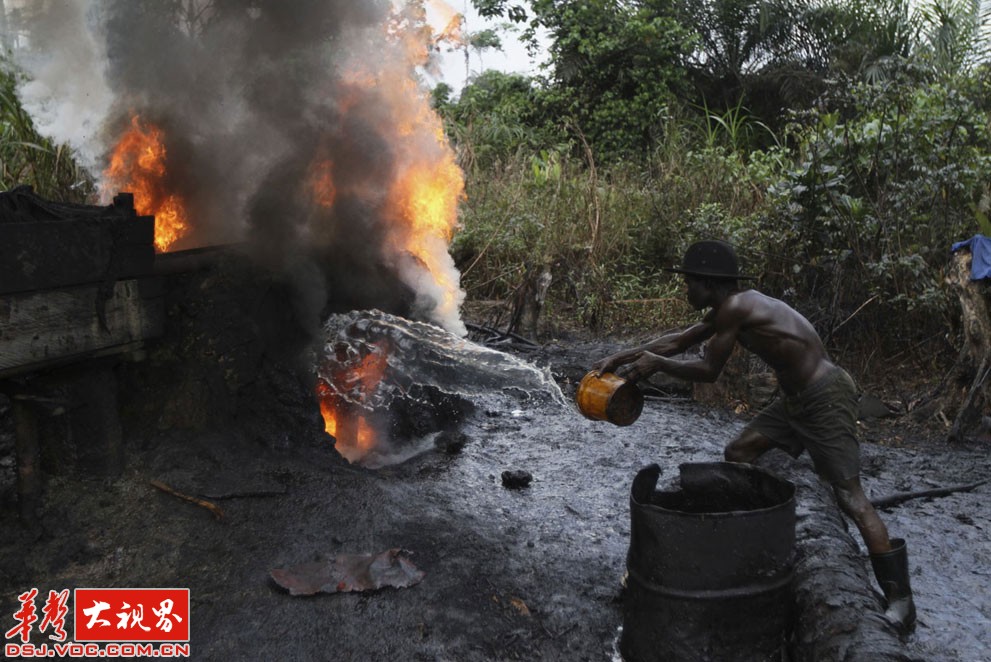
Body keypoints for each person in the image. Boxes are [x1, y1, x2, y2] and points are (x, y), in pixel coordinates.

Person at [592, 240, 916, 632]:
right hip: (795, 398)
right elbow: (680, 340)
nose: (685, 291)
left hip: (824, 397)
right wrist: (623, 357)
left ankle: (900, 600)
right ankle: (769, 533)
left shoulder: (736, 307)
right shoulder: (731, 306)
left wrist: (657, 365)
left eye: (689, 283)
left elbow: (709, 370)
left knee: (851, 496)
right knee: (739, 451)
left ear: (708, 284)